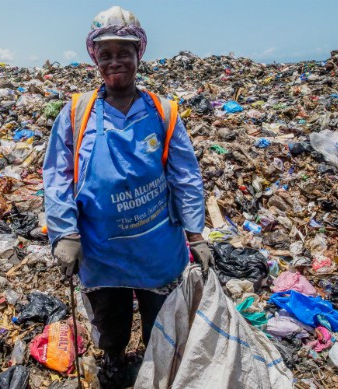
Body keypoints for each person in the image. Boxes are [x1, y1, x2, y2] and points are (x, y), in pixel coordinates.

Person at [42, 6, 213, 387]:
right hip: (101, 251)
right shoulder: (77, 112)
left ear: (139, 56)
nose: (115, 60)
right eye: (106, 54)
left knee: (162, 318)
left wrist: (196, 235)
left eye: (124, 52)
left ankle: (157, 367)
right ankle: (115, 362)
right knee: (109, 318)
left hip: (156, 248)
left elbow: (185, 175)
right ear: (95, 60)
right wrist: (65, 234)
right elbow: (55, 175)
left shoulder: (163, 112)